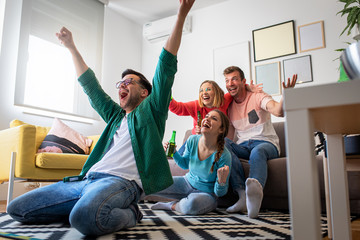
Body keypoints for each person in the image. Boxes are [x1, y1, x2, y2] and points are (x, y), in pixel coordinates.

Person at [6, 0, 196, 236]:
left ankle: (131, 214)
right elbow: (90, 87)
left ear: (145, 92)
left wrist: (181, 14)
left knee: (83, 218)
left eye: (129, 82)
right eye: (120, 83)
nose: (122, 86)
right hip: (85, 181)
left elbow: (165, 66)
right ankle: (87, 207)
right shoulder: (115, 116)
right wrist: (71, 47)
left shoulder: (152, 111)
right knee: (17, 209)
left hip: (120, 184)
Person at [223, 66, 297, 218]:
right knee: (223, 144)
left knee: (257, 152)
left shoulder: (257, 96)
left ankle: (254, 199)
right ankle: (242, 194)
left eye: (234, 79)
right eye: (227, 80)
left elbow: (278, 111)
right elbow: (230, 138)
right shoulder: (229, 107)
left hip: (266, 144)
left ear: (243, 81)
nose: (230, 83)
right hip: (244, 146)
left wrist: (286, 95)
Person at [150, 109, 231, 215]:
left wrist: (221, 181)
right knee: (151, 183)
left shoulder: (225, 155)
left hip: (207, 194)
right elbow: (184, 164)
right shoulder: (192, 140)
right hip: (186, 183)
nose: (207, 119)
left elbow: (219, 193)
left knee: (191, 205)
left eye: (213, 118)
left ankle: (172, 205)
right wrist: (174, 153)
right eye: (206, 116)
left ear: (221, 129)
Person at [170, 80, 262, 135]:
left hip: (217, 141)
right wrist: (167, 95)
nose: (204, 93)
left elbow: (235, 90)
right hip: (198, 141)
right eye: (201, 90)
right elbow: (177, 108)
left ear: (216, 93)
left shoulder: (224, 100)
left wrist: (248, 88)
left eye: (208, 89)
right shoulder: (196, 105)